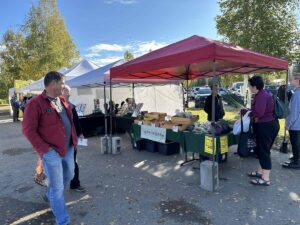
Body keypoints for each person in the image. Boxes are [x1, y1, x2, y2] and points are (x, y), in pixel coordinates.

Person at [22, 71, 77, 225]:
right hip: (51, 152)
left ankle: (50, 194)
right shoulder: (35, 103)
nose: (64, 86)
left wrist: (74, 139)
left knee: (70, 175)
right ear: (53, 83)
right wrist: (45, 150)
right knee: (58, 187)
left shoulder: (62, 100)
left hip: (68, 148)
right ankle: (63, 221)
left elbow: (68, 121)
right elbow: (28, 130)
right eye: (62, 83)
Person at [247, 76, 279, 186]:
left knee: (264, 152)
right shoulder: (264, 93)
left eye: (250, 85)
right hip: (270, 124)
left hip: (266, 126)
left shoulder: (261, 96)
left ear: (254, 86)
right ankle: (260, 171)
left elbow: (259, 113)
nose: (249, 87)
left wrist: (249, 113)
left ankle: (265, 179)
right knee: (263, 150)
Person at [62, 85, 86, 191]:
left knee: (73, 163)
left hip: (71, 142)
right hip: (58, 142)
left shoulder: (71, 106)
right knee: (58, 166)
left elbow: (76, 122)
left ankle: (75, 184)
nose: (68, 93)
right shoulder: (54, 106)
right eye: (65, 91)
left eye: (68, 91)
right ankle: (55, 189)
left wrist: (80, 133)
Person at [282, 72, 300, 169]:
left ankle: (296, 162)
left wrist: (288, 124)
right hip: (298, 123)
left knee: (295, 143)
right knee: (297, 142)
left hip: (296, 124)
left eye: (292, 79)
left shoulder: (297, 94)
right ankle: (296, 158)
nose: (290, 81)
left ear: (297, 81)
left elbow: (294, 113)